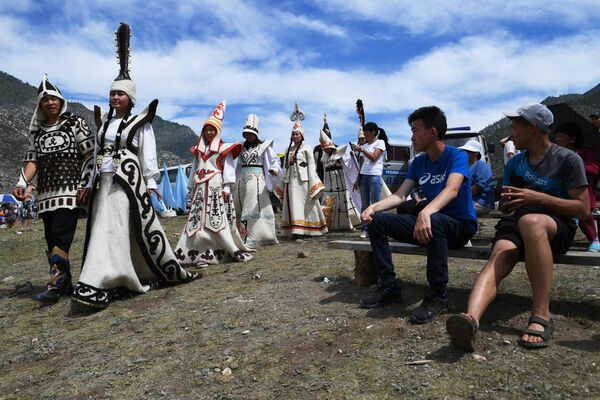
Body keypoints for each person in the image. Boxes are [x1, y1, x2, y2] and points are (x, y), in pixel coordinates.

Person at [73, 23, 198, 310]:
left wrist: (151, 185)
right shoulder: (103, 123)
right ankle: (100, 277)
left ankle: (114, 277)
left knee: (119, 229)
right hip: (103, 184)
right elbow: (95, 156)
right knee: (102, 228)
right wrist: (86, 183)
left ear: (130, 98)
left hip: (127, 183)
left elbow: (148, 157)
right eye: (112, 94)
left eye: (120, 94)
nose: (115, 98)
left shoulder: (140, 124)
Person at [446, 103, 588, 351]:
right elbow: (507, 207)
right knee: (500, 252)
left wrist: (538, 199)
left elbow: (582, 209)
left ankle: (541, 315)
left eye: (515, 128)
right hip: (519, 220)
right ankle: (470, 320)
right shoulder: (515, 163)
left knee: (531, 221)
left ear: (533, 128)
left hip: (556, 224)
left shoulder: (568, 159)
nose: (511, 135)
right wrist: (508, 204)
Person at [359, 106, 477, 325]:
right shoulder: (419, 163)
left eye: (415, 130)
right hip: (431, 223)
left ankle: (437, 295)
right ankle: (388, 285)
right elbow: (400, 196)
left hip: (460, 226)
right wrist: (373, 208)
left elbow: (452, 190)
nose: (411, 136)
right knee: (378, 222)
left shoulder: (457, 156)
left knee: (435, 221)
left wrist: (427, 212)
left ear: (432, 132)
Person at [13, 74, 94, 303]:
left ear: (60, 100)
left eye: (53, 98)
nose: (50, 103)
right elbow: (32, 162)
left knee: (60, 235)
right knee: (51, 239)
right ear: (40, 105)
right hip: (46, 194)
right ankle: (66, 284)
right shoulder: (37, 133)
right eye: (45, 100)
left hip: (70, 191)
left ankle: (55, 286)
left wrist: (85, 183)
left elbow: (89, 155)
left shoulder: (75, 123)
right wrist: (22, 182)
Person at [175, 100, 255, 264]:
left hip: (215, 186)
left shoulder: (224, 149)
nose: (210, 132)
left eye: (213, 129)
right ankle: (197, 251)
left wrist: (226, 187)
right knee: (197, 220)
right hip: (199, 187)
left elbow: (228, 168)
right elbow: (195, 168)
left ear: (218, 131)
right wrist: (191, 188)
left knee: (215, 217)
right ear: (203, 132)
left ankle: (218, 248)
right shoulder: (198, 150)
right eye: (207, 130)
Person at [275, 104, 327, 237]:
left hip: (303, 180)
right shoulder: (288, 150)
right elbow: (285, 166)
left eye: (297, 134)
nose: (295, 136)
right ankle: (295, 229)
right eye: (293, 134)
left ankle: (307, 228)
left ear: (302, 135)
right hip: (291, 180)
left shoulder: (306, 148)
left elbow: (311, 165)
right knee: (293, 203)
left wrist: (313, 180)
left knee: (305, 204)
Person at [234, 113, 282, 247]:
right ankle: (241, 236)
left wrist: (274, 169)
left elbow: (274, 160)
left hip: (257, 181)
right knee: (241, 206)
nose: (248, 136)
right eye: (246, 133)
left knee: (254, 207)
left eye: (251, 133)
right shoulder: (240, 148)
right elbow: (235, 165)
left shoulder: (264, 147)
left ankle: (260, 236)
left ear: (256, 134)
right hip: (242, 181)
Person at [554, 122, 600, 252]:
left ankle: (594, 239)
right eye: (556, 136)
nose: (557, 139)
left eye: (561, 136)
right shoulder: (557, 155)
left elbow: (593, 170)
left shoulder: (586, 153)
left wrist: (574, 169)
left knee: (584, 216)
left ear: (572, 138)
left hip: (581, 191)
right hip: (561, 192)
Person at [318, 128, 361, 231]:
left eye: (328, 148)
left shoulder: (339, 154)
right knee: (329, 205)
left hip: (341, 184)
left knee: (345, 205)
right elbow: (324, 172)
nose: (326, 150)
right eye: (325, 149)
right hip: (329, 186)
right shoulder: (324, 159)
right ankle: (330, 225)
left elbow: (348, 163)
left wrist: (351, 155)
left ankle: (351, 224)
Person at [353, 122, 390, 239]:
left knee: (376, 203)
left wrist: (362, 150)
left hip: (375, 175)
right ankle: (365, 229)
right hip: (364, 175)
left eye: (366, 132)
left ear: (373, 132)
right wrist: (357, 179)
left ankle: (378, 228)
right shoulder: (364, 145)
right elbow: (361, 165)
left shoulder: (380, 142)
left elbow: (374, 157)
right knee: (364, 204)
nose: (364, 134)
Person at [458, 140, 496, 216]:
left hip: (480, 202)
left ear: (475, 153)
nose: (464, 153)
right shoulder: (465, 167)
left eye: (467, 151)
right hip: (468, 200)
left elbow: (477, 188)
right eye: (464, 151)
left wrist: (457, 196)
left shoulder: (481, 166)